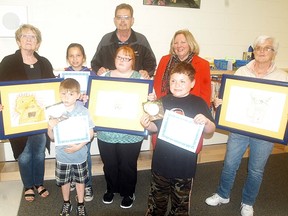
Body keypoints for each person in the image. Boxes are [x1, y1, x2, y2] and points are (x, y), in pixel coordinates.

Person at [205, 35, 288, 216]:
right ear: (253, 51)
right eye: (258, 48)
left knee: (256, 170)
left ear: (274, 53)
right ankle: (223, 194)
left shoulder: (282, 77)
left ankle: (248, 202)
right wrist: (221, 103)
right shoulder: (242, 71)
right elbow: (233, 99)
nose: (262, 52)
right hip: (239, 129)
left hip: (264, 132)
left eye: (267, 48)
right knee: (229, 163)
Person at [140, 62, 216, 215]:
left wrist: (206, 121)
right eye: (173, 80)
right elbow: (157, 128)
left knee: (180, 204)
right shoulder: (163, 101)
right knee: (156, 201)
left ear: (192, 83)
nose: (177, 85)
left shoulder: (199, 103)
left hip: (184, 165)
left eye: (182, 81)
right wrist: (147, 125)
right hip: (161, 162)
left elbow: (210, 130)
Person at [0, 24, 55, 202]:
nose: (29, 39)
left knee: (39, 152)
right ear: (18, 41)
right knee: (24, 155)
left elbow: (53, 88)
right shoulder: (8, 62)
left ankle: (39, 183)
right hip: (17, 120)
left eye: (33, 37)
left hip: (40, 119)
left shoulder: (44, 62)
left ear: (37, 43)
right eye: (25, 36)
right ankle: (28, 185)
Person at [97, 46, 148, 209]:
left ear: (133, 61)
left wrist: (151, 98)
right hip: (107, 131)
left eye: (127, 58)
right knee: (109, 163)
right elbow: (96, 99)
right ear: (114, 59)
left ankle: (128, 192)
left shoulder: (140, 78)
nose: (122, 61)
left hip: (131, 132)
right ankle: (111, 188)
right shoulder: (104, 76)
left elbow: (147, 103)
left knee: (128, 164)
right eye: (119, 57)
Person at [47, 78, 95, 216]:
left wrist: (78, 147)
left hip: (79, 155)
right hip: (62, 155)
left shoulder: (83, 111)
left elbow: (90, 134)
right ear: (59, 94)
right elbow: (51, 137)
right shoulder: (55, 112)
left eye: (71, 94)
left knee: (80, 181)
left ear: (78, 95)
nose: (66, 97)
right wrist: (51, 126)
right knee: (64, 181)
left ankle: (80, 204)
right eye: (63, 94)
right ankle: (66, 203)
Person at [64, 42, 96, 202]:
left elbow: (98, 95)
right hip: (68, 122)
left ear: (83, 57)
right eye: (71, 55)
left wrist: (89, 97)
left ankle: (87, 184)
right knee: (68, 151)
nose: (75, 59)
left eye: (78, 55)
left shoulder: (91, 74)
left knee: (84, 153)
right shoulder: (63, 76)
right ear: (67, 58)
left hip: (84, 120)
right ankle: (71, 179)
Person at [91, 3, 156, 78]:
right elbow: (95, 63)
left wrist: (146, 72)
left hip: (135, 84)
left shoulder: (141, 40)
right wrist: (99, 70)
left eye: (126, 17)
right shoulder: (106, 40)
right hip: (110, 83)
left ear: (132, 20)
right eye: (119, 17)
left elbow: (151, 63)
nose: (122, 21)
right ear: (114, 20)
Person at [153, 29, 211, 106]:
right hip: (165, 105)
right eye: (176, 43)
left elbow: (205, 94)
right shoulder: (164, 60)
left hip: (191, 108)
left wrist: (201, 112)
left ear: (190, 44)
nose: (179, 46)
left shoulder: (203, 64)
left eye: (183, 42)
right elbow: (157, 86)